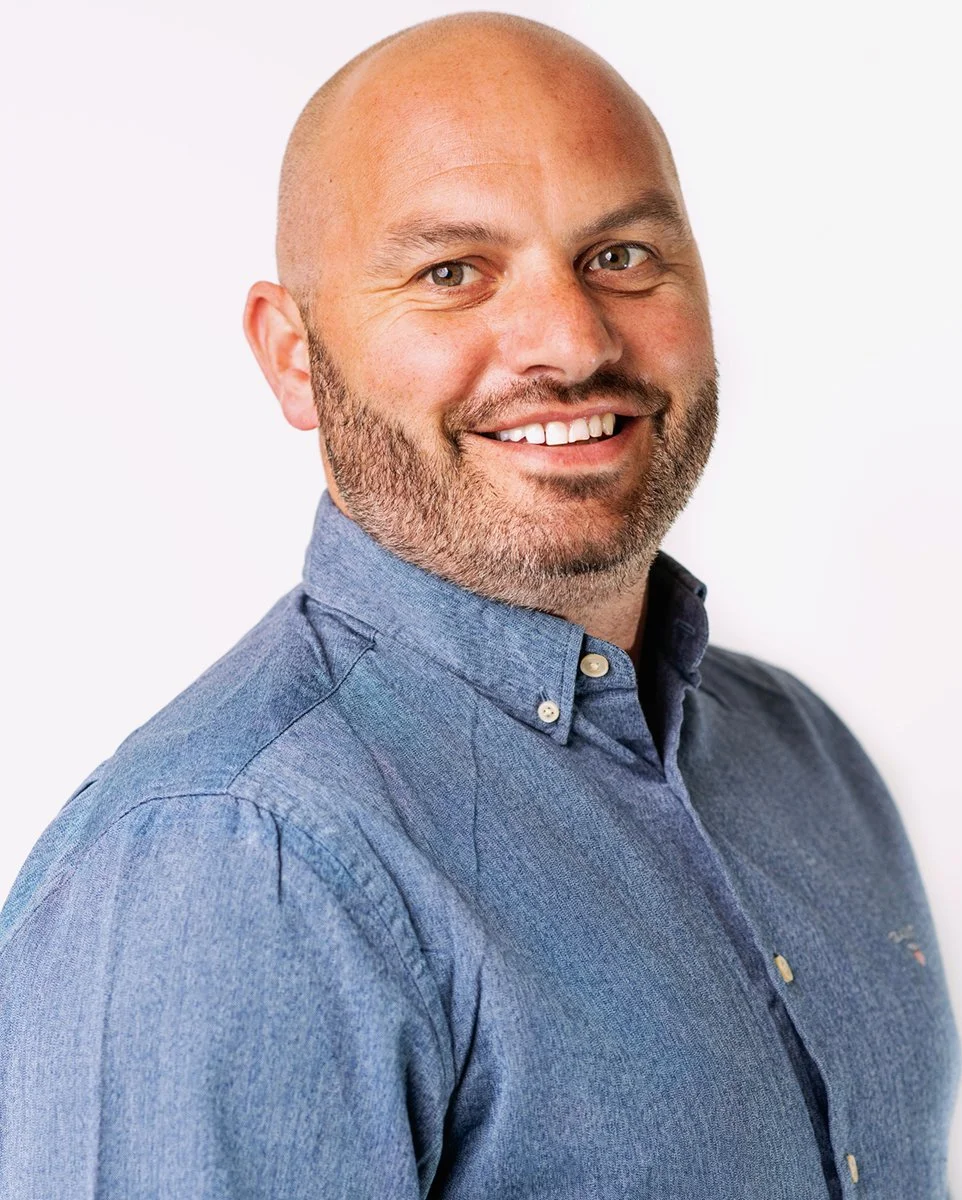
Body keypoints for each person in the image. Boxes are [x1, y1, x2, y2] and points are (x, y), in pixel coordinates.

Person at [0, 11, 957, 1198]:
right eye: (451, 272)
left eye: (619, 256)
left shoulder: (801, 755)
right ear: (294, 356)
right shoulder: (233, 865)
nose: (569, 342)